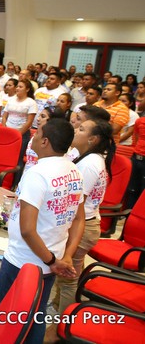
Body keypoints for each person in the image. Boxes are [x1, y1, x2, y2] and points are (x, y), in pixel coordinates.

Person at [0, 118, 84, 344]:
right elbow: (78, 219)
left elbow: (27, 229)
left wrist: (53, 260)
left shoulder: (37, 173)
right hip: (49, 262)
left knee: (6, 322)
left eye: (37, 134)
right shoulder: (74, 170)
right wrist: (63, 257)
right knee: (35, 318)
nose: (33, 137)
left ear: (45, 141)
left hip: (23, 261)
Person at [45, 119, 113, 341]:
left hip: (83, 226)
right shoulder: (89, 158)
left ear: (92, 139)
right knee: (67, 276)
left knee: (67, 279)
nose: (75, 130)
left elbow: (77, 205)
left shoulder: (89, 164)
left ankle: (61, 329)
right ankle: (58, 309)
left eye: (82, 129)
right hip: (84, 223)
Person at [0, 78, 37, 158]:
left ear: (27, 89)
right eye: (17, 86)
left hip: (22, 134)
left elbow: (29, 122)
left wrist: (18, 134)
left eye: (20, 87)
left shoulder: (31, 102)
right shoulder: (11, 100)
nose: (17, 88)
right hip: (8, 132)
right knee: (5, 156)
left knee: (17, 158)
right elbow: (4, 116)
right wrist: (4, 129)